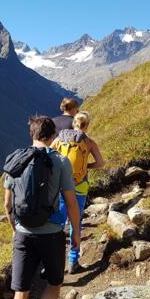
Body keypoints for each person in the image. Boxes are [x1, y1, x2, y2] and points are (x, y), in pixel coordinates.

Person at [3, 116, 81, 299]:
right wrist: (76, 234)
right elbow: (71, 203)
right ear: (53, 134)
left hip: (23, 233)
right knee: (54, 283)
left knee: (21, 291)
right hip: (52, 233)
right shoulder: (61, 161)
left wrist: (15, 230)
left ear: (32, 134)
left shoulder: (15, 160)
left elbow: (8, 205)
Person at [53, 111, 104, 274]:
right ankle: (73, 261)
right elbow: (100, 163)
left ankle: (53, 261)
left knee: (59, 222)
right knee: (76, 222)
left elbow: (47, 155)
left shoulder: (60, 138)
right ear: (86, 126)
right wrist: (85, 167)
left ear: (73, 122)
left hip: (62, 185)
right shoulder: (88, 142)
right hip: (80, 185)